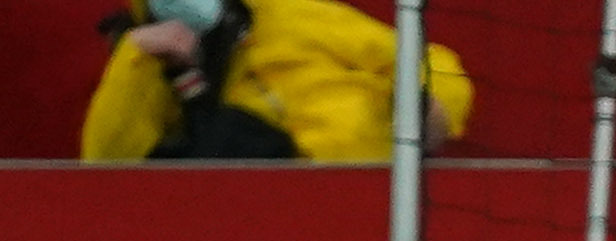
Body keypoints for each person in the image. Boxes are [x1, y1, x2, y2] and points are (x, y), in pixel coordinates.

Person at [81, 0, 474, 162]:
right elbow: (106, 166)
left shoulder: (289, 14)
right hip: (256, 214)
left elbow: (430, 60)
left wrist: (432, 106)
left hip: (369, 188)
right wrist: (135, 54)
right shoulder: (150, 63)